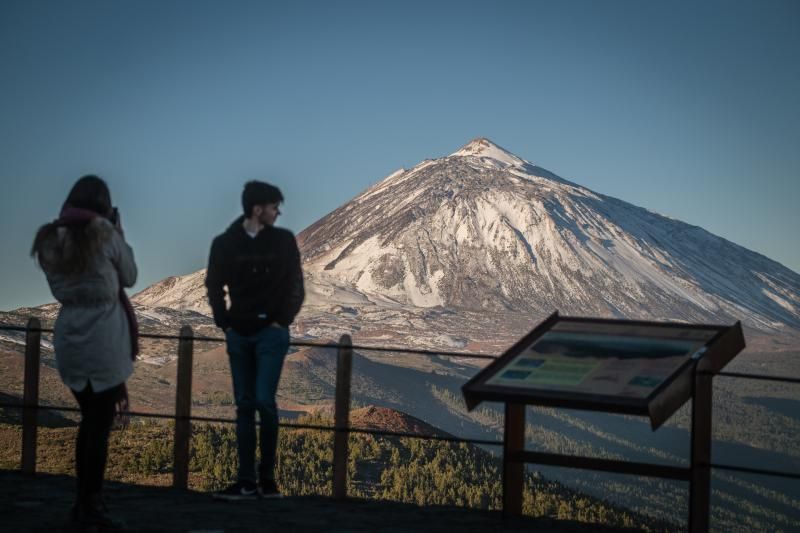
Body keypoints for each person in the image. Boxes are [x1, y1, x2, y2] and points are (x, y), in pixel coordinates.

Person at [31, 175, 137, 529]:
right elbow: (130, 275)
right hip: (104, 338)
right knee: (98, 425)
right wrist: (117, 233)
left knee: (89, 422)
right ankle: (90, 505)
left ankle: (85, 502)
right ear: (104, 206)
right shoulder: (104, 235)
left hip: (69, 336)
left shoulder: (49, 241)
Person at [206, 180, 304, 500]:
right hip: (240, 334)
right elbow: (213, 284)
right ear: (258, 209)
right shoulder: (225, 244)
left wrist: (280, 321)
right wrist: (226, 324)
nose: (279, 213)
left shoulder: (284, 241)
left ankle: (267, 479)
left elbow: (296, 285)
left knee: (263, 401)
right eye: (275, 207)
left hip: (270, 334)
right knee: (246, 404)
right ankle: (248, 480)